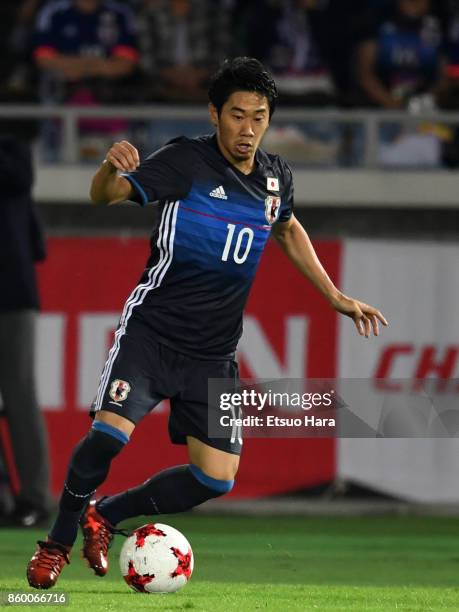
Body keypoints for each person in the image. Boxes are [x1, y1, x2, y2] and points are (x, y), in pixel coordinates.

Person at [27, 57, 387, 589]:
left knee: (214, 478)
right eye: (237, 115)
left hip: (213, 353)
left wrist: (334, 295)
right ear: (214, 113)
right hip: (151, 336)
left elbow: (286, 228)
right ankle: (56, 543)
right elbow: (104, 197)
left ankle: (104, 514)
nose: (248, 129)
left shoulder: (274, 176)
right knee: (107, 436)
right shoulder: (184, 163)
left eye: (259, 117)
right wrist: (108, 171)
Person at [0, 119, 50, 527]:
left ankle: (33, 498)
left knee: (18, 398)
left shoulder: (12, 148)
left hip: (11, 296)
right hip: (14, 291)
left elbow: (17, 178)